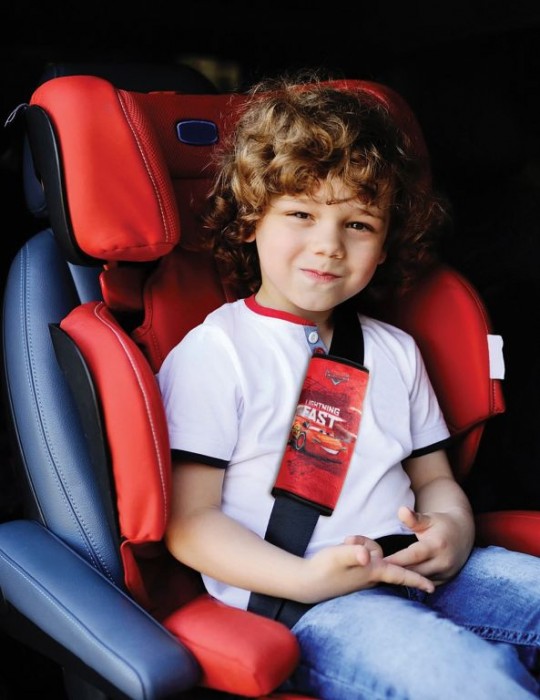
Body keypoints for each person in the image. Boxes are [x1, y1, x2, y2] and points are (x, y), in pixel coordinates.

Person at [157, 74, 540, 699]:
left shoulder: (396, 351)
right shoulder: (216, 353)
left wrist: (452, 529)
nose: (329, 245)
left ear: (386, 244)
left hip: (426, 569)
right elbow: (191, 523)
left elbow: (433, 478)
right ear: (252, 220)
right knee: (472, 681)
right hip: (315, 602)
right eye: (301, 214)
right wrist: (307, 580)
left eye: (359, 224)